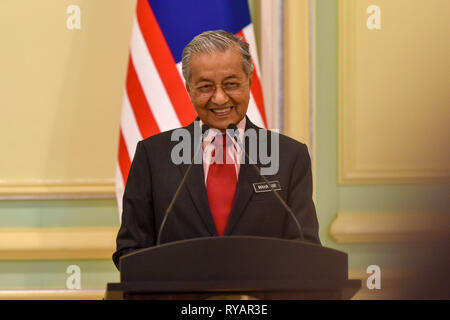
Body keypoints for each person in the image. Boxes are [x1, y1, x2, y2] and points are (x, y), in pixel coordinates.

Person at [113, 30, 320, 270]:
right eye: (205, 87)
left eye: (231, 84)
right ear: (189, 88)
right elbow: (131, 251)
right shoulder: (152, 156)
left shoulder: (289, 157)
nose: (220, 98)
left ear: (249, 83)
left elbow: (306, 251)